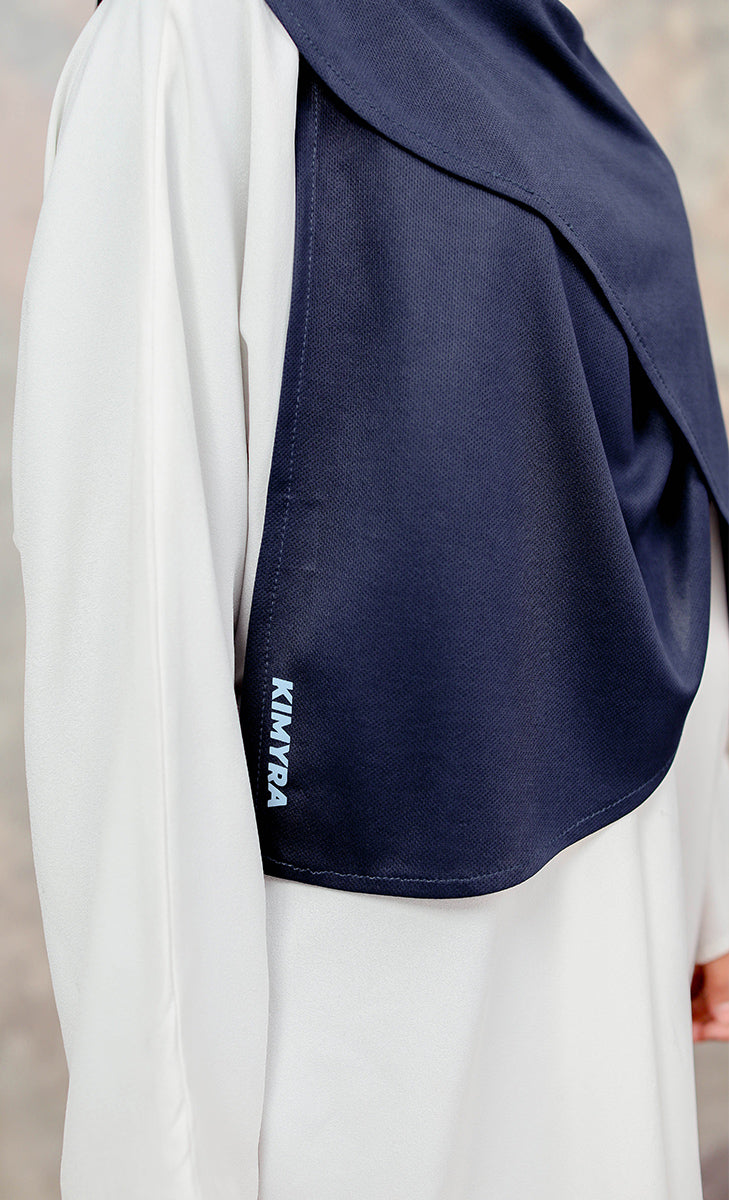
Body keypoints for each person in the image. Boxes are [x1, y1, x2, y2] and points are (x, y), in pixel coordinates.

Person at [11, 0, 729, 1195]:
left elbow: (635, 457)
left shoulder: (524, 37)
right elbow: (135, 679)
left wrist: (711, 872)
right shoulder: (191, 42)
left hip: (609, 969)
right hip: (375, 1054)